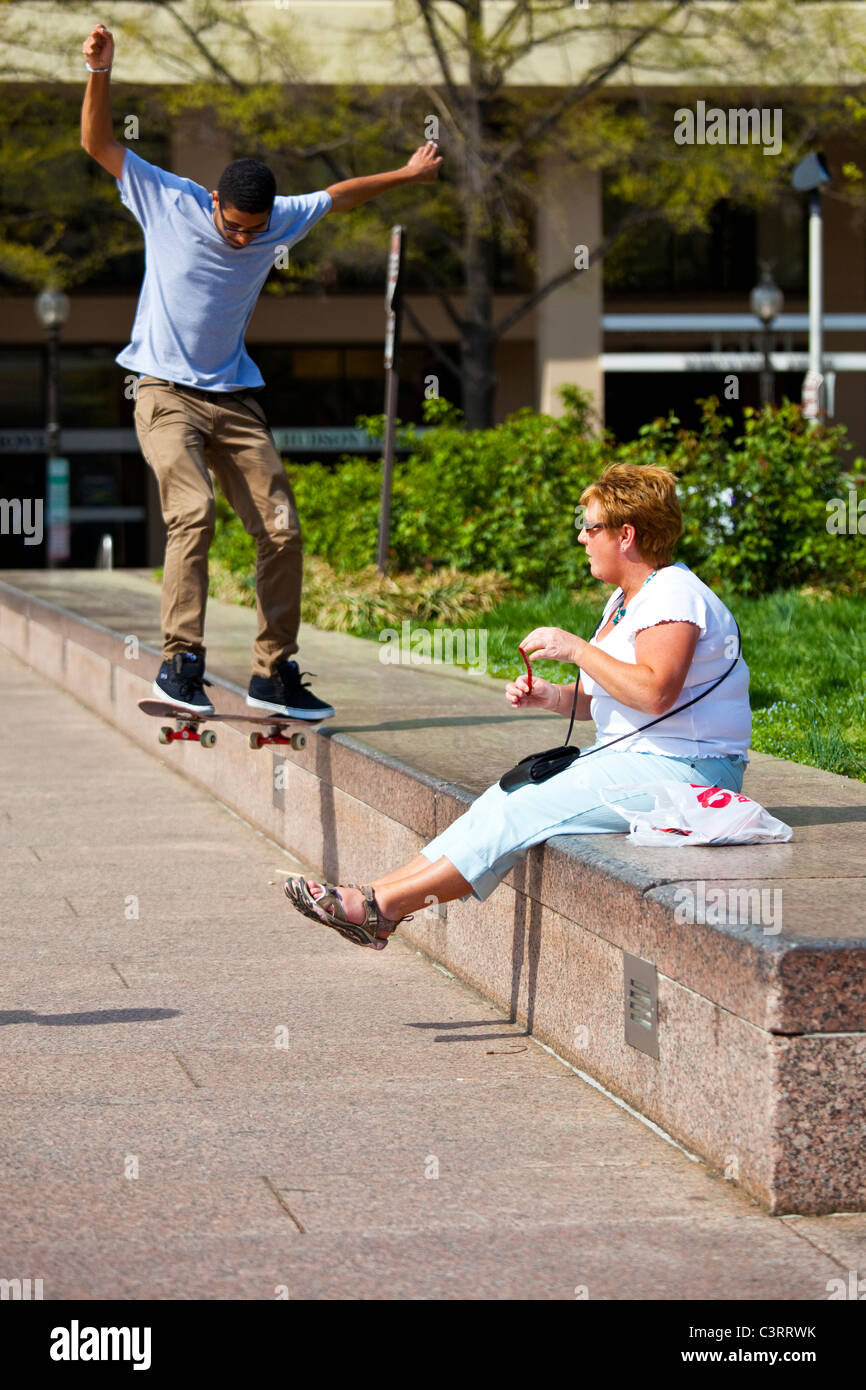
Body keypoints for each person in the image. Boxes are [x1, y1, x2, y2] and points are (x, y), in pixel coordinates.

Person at [80, 24, 442, 716]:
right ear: (214, 202)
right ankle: (181, 663)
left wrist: (407, 174)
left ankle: (273, 672)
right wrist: (99, 70)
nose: (246, 239)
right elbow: (99, 144)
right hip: (162, 391)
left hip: (234, 397)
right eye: (235, 226)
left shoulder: (280, 219)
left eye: (255, 229)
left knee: (281, 529)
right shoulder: (169, 199)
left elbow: (339, 195)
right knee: (194, 512)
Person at [284, 462, 752, 949]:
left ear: (626, 535)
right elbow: (614, 699)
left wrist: (576, 648)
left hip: (692, 773)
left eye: (589, 527)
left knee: (526, 806)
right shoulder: (627, 599)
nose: (582, 539)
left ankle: (380, 908)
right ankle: (373, 897)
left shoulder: (674, 596)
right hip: (640, 760)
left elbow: (655, 693)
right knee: (505, 795)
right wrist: (554, 697)